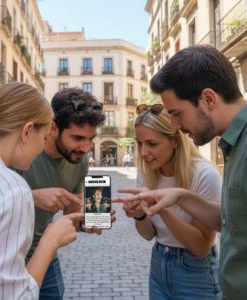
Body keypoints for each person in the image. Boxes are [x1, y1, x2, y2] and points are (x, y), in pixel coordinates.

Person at [114, 45, 247, 299]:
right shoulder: (234, 144)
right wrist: (177, 198)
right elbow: (232, 219)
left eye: (176, 113)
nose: (174, 125)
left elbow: (202, 243)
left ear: (208, 99)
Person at [0, 82, 83, 299]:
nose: (42, 147)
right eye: (44, 136)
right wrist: (50, 241)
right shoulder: (11, 189)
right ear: (27, 131)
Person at [17, 87, 115, 300]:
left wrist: (88, 222)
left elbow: (72, 214)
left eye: (91, 139)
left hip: (46, 256)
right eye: (78, 138)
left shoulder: (78, 162)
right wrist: (33, 196)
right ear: (53, 128)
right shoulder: (24, 151)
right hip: (9, 257)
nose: (86, 148)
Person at [117, 102, 222, 299]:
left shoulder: (204, 174)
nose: (143, 152)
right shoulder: (146, 172)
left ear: (175, 141)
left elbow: (200, 247)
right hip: (158, 262)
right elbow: (149, 234)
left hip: (195, 271)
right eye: (139, 143)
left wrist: (161, 207)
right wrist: (140, 215)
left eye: (152, 144)